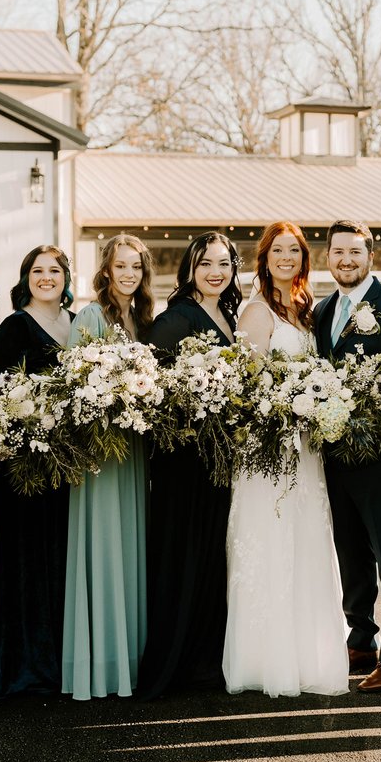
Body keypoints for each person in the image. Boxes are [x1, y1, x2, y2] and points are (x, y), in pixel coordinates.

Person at [224, 221, 349, 697]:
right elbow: (248, 385)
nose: (286, 258)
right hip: (269, 449)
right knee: (271, 540)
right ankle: (265, 658)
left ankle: (308, 652)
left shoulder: (306, 309)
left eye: (294, 251)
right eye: (278, 250)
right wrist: (287, 406)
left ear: (303, 259)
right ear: (265, 256)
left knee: (307, 542)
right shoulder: (256, 312)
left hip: (308, 450)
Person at [313, 220, 381, 692]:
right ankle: (361, 637)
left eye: (355, 252)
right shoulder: (322, 312)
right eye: (338, 252)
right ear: (328, 257)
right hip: (332, 457)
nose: (346, 260)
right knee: (350, 552)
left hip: (380, 460)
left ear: (370, 256)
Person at [138, 231, 241, 699]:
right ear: (189, 270)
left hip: (220, 461)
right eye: (205, 265)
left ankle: (206, 660)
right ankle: (173, 663)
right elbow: (151, 392)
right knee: (182, 557)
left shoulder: (231, 314)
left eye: (223, 264)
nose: (215, 272)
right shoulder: (174, 320)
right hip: (183, 464)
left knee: (212, 559)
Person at [61, 234, 154, 700]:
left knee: (131, 546)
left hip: (134, 452)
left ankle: (131, 659)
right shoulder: (91, 317)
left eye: (136, 266)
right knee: (103, 546)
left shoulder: (144, 319)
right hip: (102, 453)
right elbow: (74, 386)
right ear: (106, 270)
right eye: (121, 266)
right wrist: (113, 396)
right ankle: (98, 663)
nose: (128, 274)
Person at [0, 245, 75, 698]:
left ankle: (63, 659)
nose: (46, 278)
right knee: (28, 562)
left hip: (69, 467)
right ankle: (27, 666)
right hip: (24, 468)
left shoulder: (76, 324)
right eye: (37, 271)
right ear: (26, 279)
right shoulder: (14, 328)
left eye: (54, 271)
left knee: (62, 559)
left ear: (65, 277)